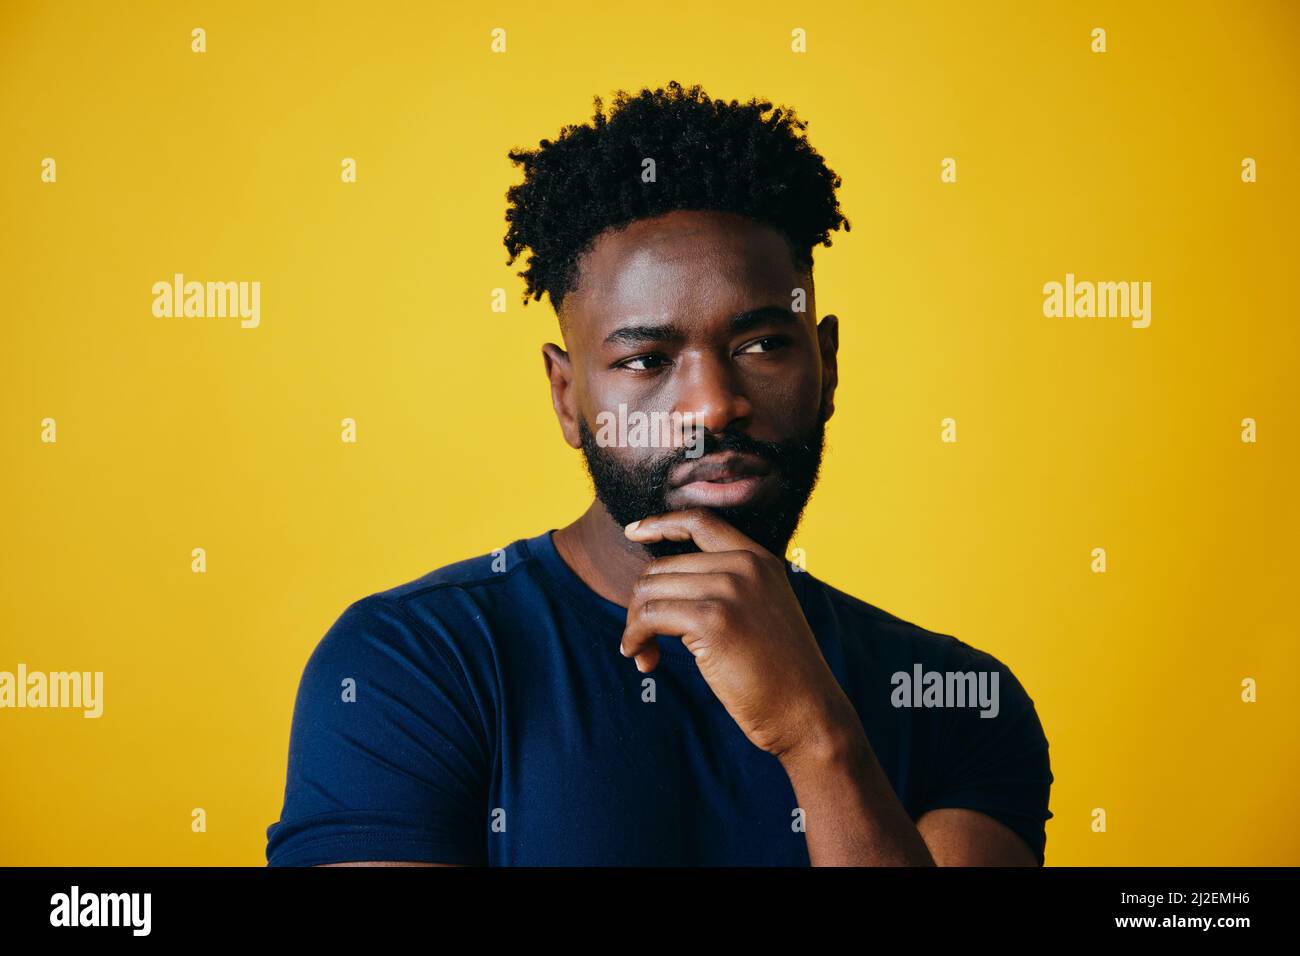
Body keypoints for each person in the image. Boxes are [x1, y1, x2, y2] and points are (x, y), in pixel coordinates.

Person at [266, 81, 1053, 867]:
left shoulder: (956, 698)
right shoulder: (412, 665)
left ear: (829, 366)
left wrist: (818, 737)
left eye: (762, 346)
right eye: (646, 360)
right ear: (568, 397)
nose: (713, 405)